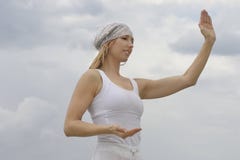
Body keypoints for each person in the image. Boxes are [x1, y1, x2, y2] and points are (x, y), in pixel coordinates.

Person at [64, 9, 216, 160]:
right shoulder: (93, 77)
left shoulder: (136, 85)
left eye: (132, 40)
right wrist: (108, 129)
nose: (130, 45)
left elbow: (188, 79)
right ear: (108, 43)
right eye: (124, 38)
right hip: (108, 153)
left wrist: (209, 42)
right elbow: (70, 126)